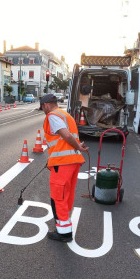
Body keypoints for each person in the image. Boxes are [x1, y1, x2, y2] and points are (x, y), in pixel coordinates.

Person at [40, 94, 89, 242]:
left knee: (58, 196)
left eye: (42, 108)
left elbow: (66, 136)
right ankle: (64, 223)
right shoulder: (66, 115)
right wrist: (78, 146)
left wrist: (77, 147)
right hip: (72, 161)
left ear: (46, 105)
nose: (43, 111)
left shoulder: (53, 116)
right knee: (67, 194)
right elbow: (69, 138)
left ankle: (64, 233)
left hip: (63, 163)